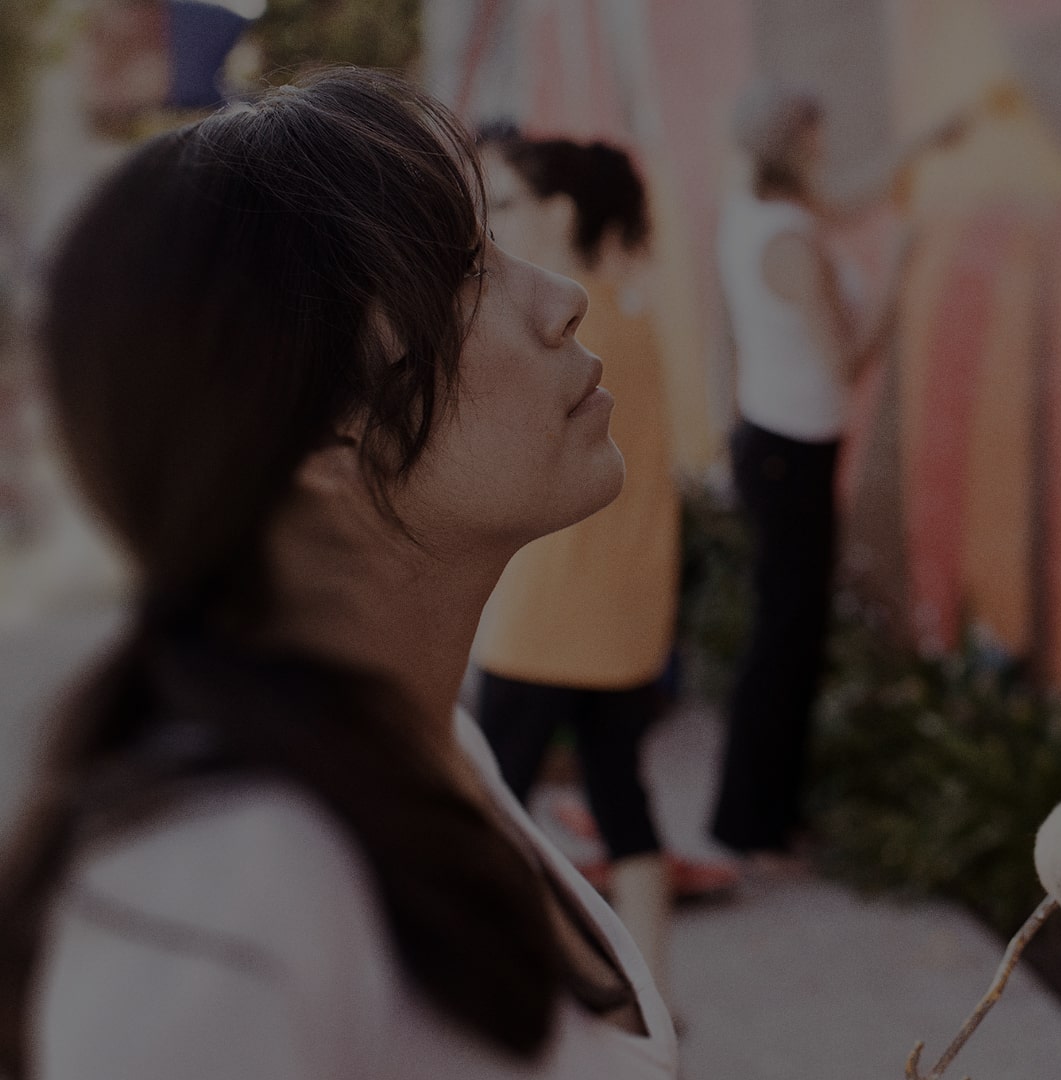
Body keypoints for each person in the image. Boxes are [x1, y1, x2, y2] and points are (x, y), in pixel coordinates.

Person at [0, 70, 675, 1078]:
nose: (561, 300)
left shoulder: (436, 743)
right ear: (319, 432)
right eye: (462, 274)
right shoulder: (220, 889)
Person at [469, 127, 737, 997]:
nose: (494, 223)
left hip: (544, 614)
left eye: (508, 204)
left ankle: (502, 994)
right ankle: (647, 993)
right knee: (624, 802)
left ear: (559, 212)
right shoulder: (637, 320)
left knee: (487, 809)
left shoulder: (554, 333)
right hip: (625, 613)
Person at [711, 79, 967, 858]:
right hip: (789, 456)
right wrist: (903, 268)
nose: (829, 149)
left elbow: (851, 198)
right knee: (785, 637)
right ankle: (751, 823)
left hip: (783, 446)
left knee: (791, 631)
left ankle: (765, 815)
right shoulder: (792, 245)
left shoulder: (767, 210)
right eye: (819, 138)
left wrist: (927, 141)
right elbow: (847, 361)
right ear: (798, 147)